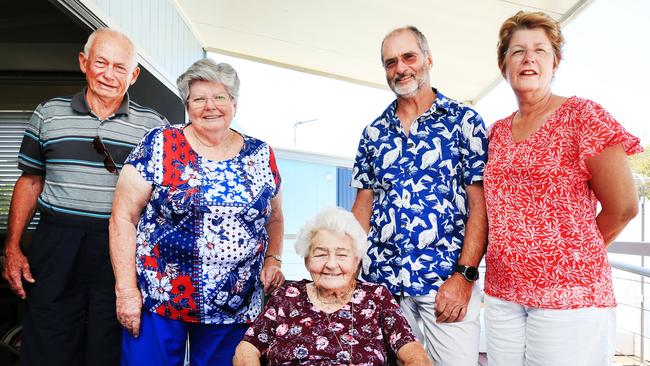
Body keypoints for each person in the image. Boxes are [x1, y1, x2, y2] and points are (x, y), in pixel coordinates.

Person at [483, 11, 642, 366]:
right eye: (517, 51)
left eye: (540, 50)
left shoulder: (583, 116)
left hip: (568, 297)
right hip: (502, 294)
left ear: (555, 62)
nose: (528, 59)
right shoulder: (495, 133)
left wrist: (567, 259)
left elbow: (624, 208)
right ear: (503, 64)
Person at [1, 28, 168, 366]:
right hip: (56, 241)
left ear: (133, 75)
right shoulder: (49, 114)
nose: (109, 74)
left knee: (110, 338)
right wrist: (13, 246)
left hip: (120, 246)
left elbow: (164, 198)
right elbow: (30, 181)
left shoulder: (154, 128)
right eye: (101, 63)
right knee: (49, 334)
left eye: (120, 67)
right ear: (83, 62)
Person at [109, 58, 284, 365]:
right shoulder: (160, 143)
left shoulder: (260, 153)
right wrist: (126, 291)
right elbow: (123, 218)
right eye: (199, 98)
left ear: (234, 104)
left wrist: (273, 258)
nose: (210, 106)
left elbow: (275, 217)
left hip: (235, 301)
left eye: (220, 97)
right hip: (160, 296)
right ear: (187, 105)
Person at [350, 26, 488, 365]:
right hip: (381, 283)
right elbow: (363, 207)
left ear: (427, 59)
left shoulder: (464, 122)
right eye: (390, 62)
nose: (400, 68)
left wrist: (464, 276)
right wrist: (349, 274)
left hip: (445, 281)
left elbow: (480, 205)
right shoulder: (372, 132)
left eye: (408, 56)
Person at [233, 206, 430, 366]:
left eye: (342, 255)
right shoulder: (287, 296)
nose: (331, 264)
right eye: (320, 254)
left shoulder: (377, 297)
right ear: (307, 261)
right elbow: (246, 350)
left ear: (356, 261)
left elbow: (415, 355)